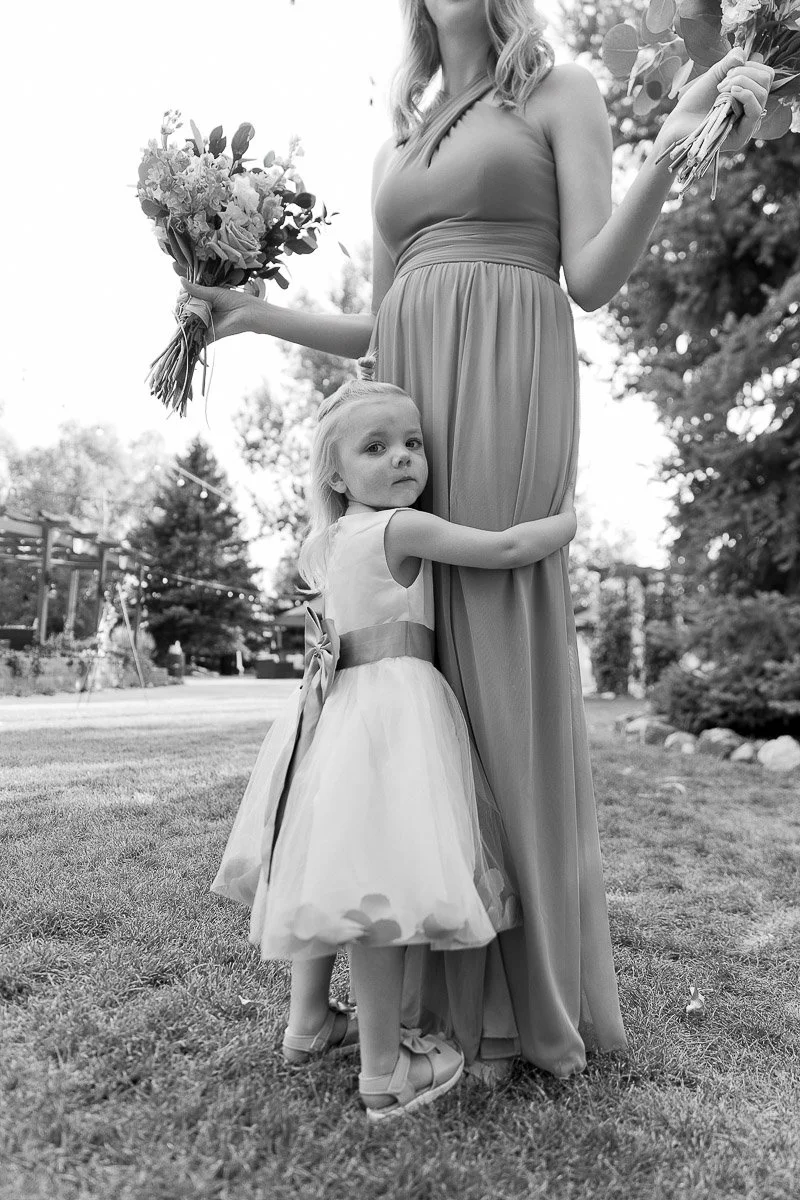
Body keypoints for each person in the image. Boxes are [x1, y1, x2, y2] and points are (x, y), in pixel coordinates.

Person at [187, 1, 773, 1080]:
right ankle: (418, 975)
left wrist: (679, 143)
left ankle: (509, 1003)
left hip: (508, 371)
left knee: (497, 646)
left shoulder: (559, 90)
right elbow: (374, 320)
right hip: (412, 390)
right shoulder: (398, 130)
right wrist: (255, 314)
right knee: (419, 670)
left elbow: (590, 277)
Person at [211, 362, 577, 1118]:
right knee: (379, 889)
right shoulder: (399, 527)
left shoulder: (323, 543)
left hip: (329, 715)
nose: (403, 458)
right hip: (393, 711)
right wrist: (565, 522)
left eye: (412, 442)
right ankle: (385, 1069)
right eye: (375, 448)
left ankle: (308, 1021)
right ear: (337, 475)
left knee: (326, 874)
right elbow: (506, 550)